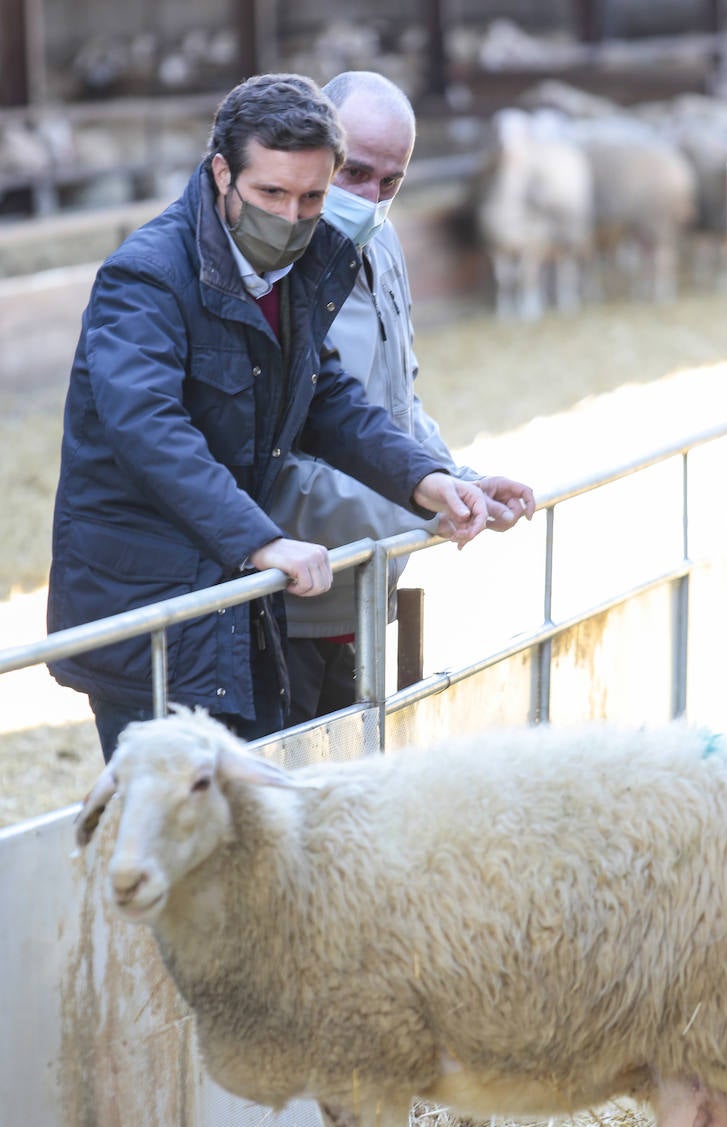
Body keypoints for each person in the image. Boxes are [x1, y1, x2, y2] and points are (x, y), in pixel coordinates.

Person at [46, 72, 494, 762]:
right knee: (170, 835)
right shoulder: (146, 279)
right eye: (271, 194)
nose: (291, 218)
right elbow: (149, 431)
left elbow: (325, 395)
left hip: (235, 604)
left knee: (263, 824)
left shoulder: (300, 266)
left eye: (312, 196)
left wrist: (426, 479)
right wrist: (262, 541)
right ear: (223, 173)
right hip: (155, 612)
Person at [268, 70, 535, 723]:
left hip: (368, 585)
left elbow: (397, 399)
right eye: (354, 174)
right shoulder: (274, 264)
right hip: (286, 598)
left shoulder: (380, 244)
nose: (370, 197)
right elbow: (277, 449)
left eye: (391, 183)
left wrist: (454, 477)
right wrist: (423, 510)